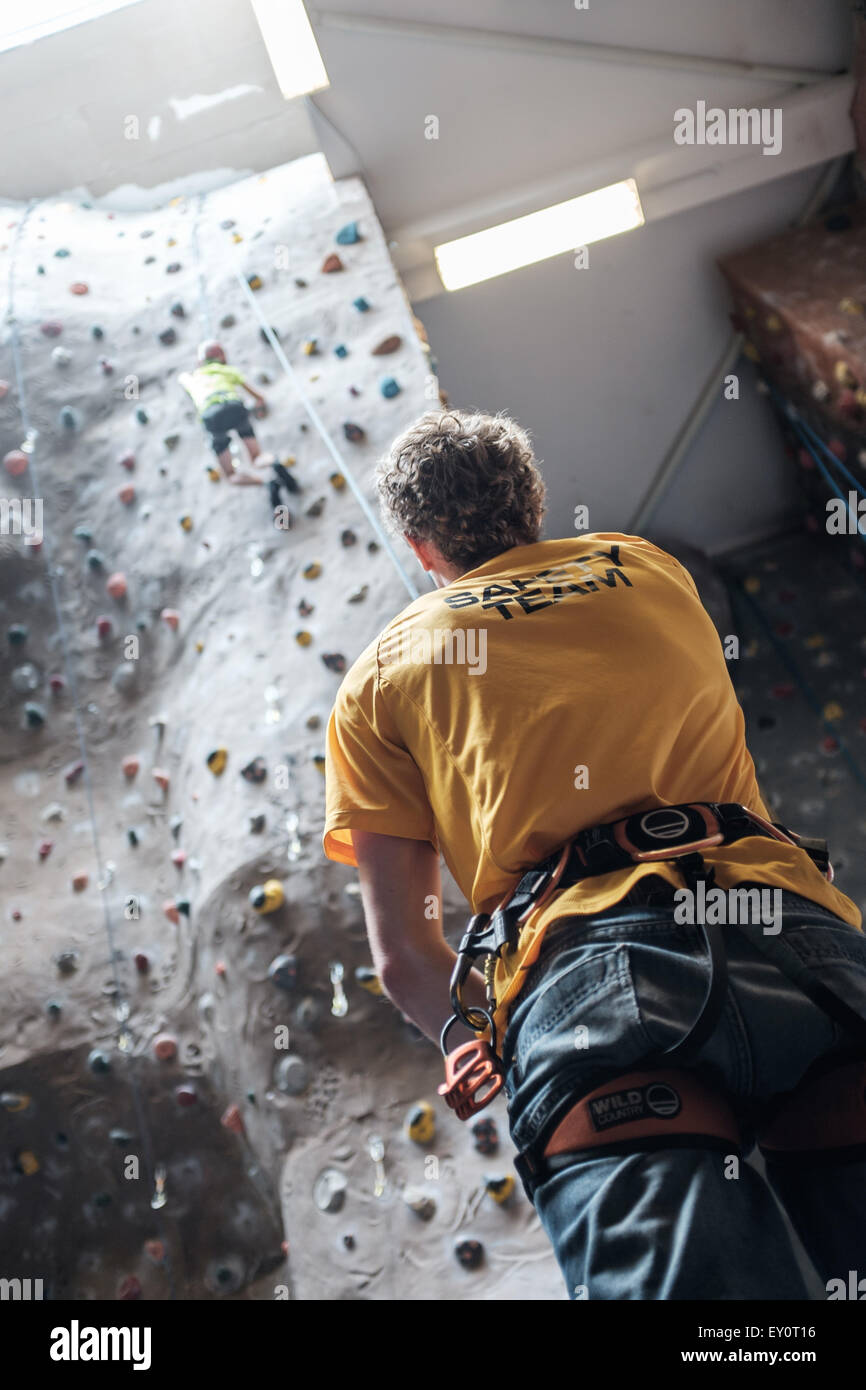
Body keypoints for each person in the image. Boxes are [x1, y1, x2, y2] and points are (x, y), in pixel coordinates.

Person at [322, 408, 866, 1301]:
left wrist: (470, 1038)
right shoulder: (649, 568)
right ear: (533, 503)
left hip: (593, 982)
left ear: (420, 549)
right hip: (789, 929)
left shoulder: (382, 679)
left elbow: (402, 954)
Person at [179, 341, 297, 513]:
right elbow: (258, 397)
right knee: (257, 457)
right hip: (235, 407)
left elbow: (182, 378)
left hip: (212, 417)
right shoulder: (227, 370)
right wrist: (259, 407)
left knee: (231, 475)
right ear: (222, 357)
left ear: (200, 361)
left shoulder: (193, 378)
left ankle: (266, 483)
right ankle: (275, 463)